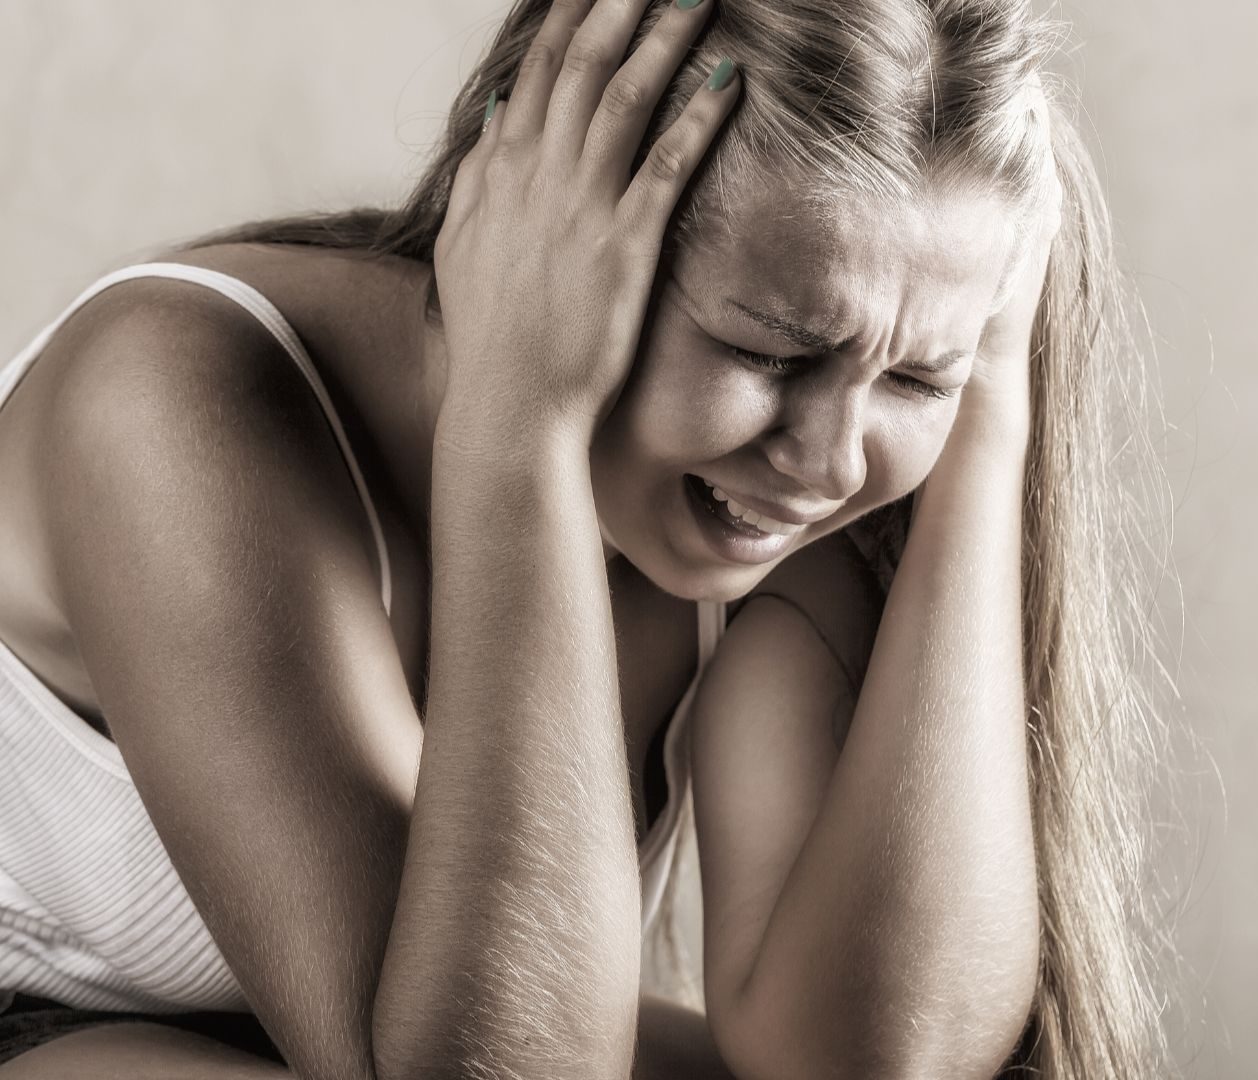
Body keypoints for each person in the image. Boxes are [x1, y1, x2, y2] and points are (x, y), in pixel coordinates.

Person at [0, 0, 1176, 1075]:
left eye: (913, 374)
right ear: (553, 237)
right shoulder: (169, 399)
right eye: (767, 353)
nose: (829, 461)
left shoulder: (780, 487)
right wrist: (518, 421)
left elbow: (876, 1055)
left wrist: (988, 422)